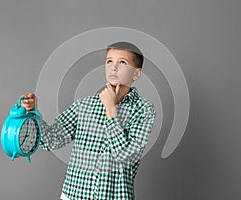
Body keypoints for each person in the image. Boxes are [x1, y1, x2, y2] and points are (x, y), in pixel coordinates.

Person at [21, 42, 156, 200]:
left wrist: (111, 110)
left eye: (123, 62)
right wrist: (32, 113)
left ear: (136, 74)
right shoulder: (84, 105)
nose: (113, 67)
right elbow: (52, 140)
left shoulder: (144, 110)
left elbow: (126, 157)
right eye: (109, 61)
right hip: (73, 196)